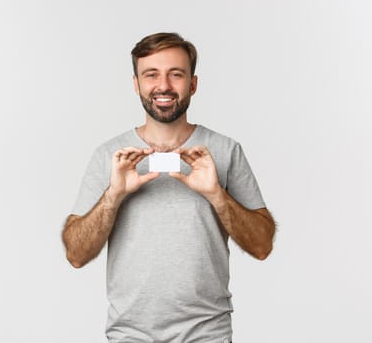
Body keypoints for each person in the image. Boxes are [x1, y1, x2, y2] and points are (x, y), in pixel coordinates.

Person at [62, 32, 275, 343]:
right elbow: (76, 255)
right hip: (130, 336)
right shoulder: (109, 156)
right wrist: (114, 196)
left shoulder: (225, 151)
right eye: (151, 75)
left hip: (207, 334)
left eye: (176, 74)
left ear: (193, 84)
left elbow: (262, 246)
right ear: (136, 84)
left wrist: (216, 194)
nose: (163, 86)